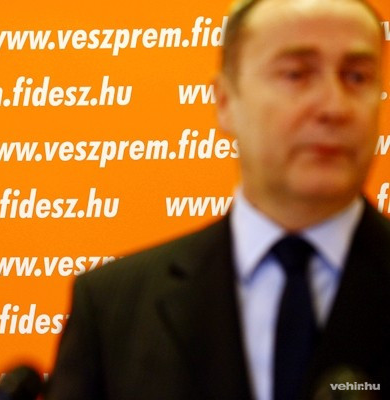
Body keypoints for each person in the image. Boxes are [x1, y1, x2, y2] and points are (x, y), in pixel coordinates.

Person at [46, 0, 389, 399]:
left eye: (357, 77)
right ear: (225, 101)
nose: (334, 107)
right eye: (296, 75)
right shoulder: (114, 306)